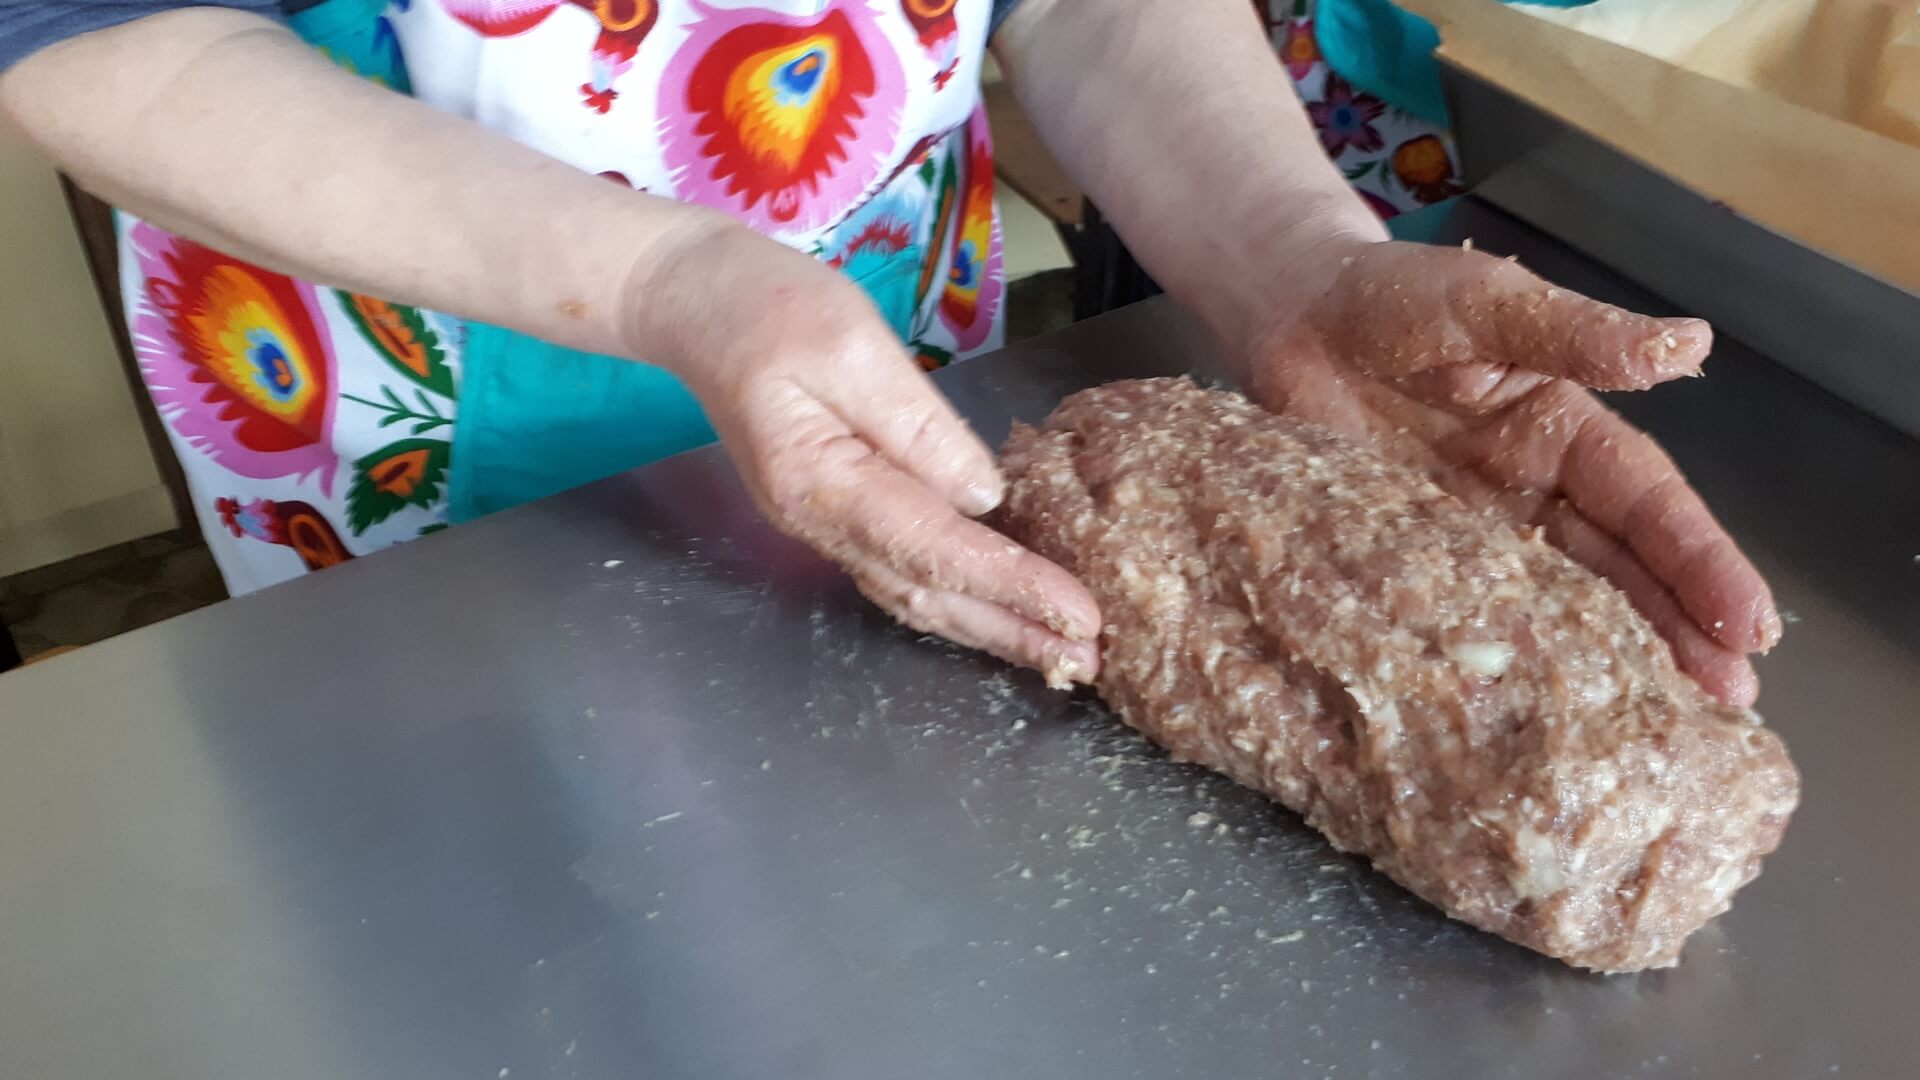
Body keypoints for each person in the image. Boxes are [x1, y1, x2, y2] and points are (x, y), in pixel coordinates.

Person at [0, 0, 1778, 706]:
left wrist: (1295, 266)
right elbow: (102, 42)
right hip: (417, 463)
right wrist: (668, 279)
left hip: (884, 397)